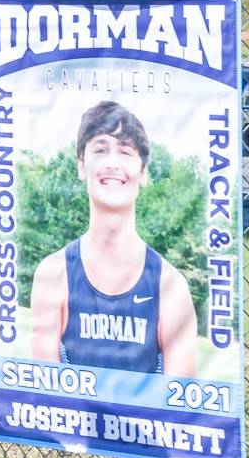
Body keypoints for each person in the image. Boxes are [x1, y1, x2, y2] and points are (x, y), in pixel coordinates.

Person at [30, 101, 196, 376]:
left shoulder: (171, 286)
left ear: (143, 172)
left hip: (145, 420)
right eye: (100, 149)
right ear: (82, 166)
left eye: (125, 151)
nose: (112, 163)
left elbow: (179, 410)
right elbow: (45, 397)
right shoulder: (53, 273)